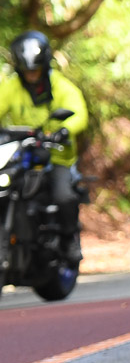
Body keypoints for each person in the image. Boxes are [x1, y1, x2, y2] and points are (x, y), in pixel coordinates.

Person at [0, 31, 89, 263]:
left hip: (56, 157)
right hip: (22, 154)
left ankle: (70, 238)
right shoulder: (11, 87)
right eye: (27, 70)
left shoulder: (60, 86)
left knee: (63, 196)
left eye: (35, 70)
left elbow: (79, 113)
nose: (31, 75)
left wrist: (64, 130)